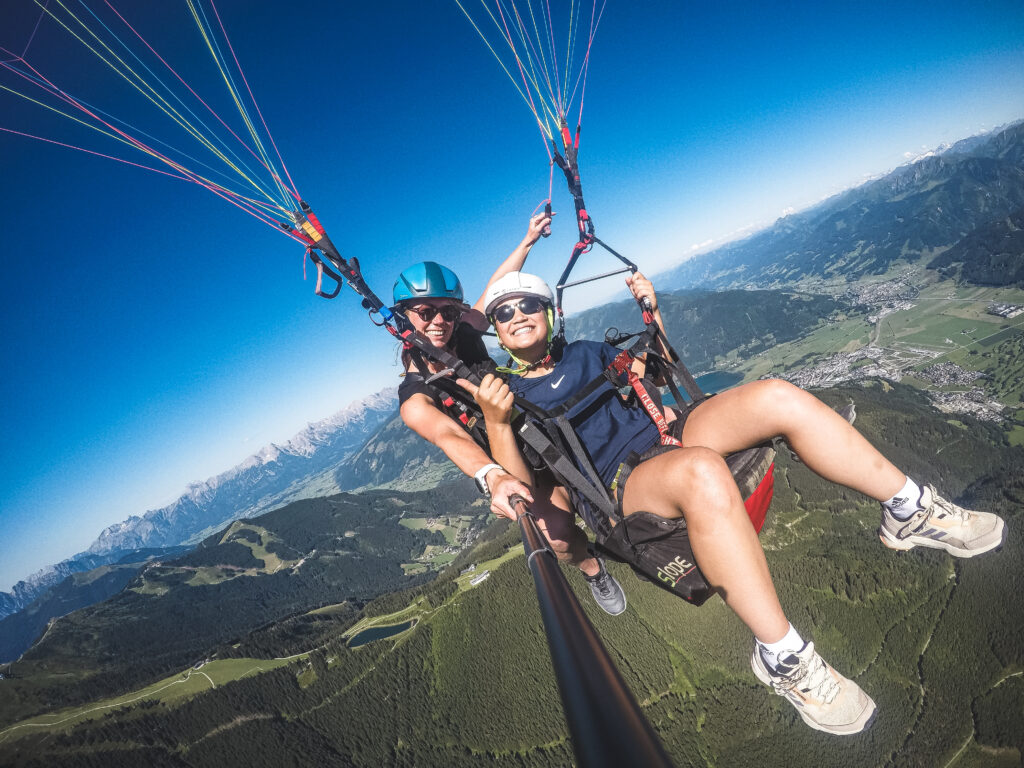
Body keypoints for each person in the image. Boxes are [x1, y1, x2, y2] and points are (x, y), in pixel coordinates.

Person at [468, 269, 1007, 735]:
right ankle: (783, 657)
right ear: (494, 330)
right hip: (619, 486)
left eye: (527, 304)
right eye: (503, 312)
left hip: (669, 434)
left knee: (776, 394)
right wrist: (496, 422)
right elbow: (522, 491)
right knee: (701, 472)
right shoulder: (505, 395)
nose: (517, 314)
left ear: (549, 312)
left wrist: (653, 323)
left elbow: (663, 373)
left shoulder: (591, 351)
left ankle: (909, 508)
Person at [393, 214, 626, 615]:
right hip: (512, 457)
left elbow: (495, 287)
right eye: (424, 312)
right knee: (558, 538)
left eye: (448, 312)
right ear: (404, 317)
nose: (438, 323)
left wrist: (529, 239)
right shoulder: (416, 395)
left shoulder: (462, 335)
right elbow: (446, 435)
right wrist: (491, 475)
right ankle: (593, 569)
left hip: (543, 422)